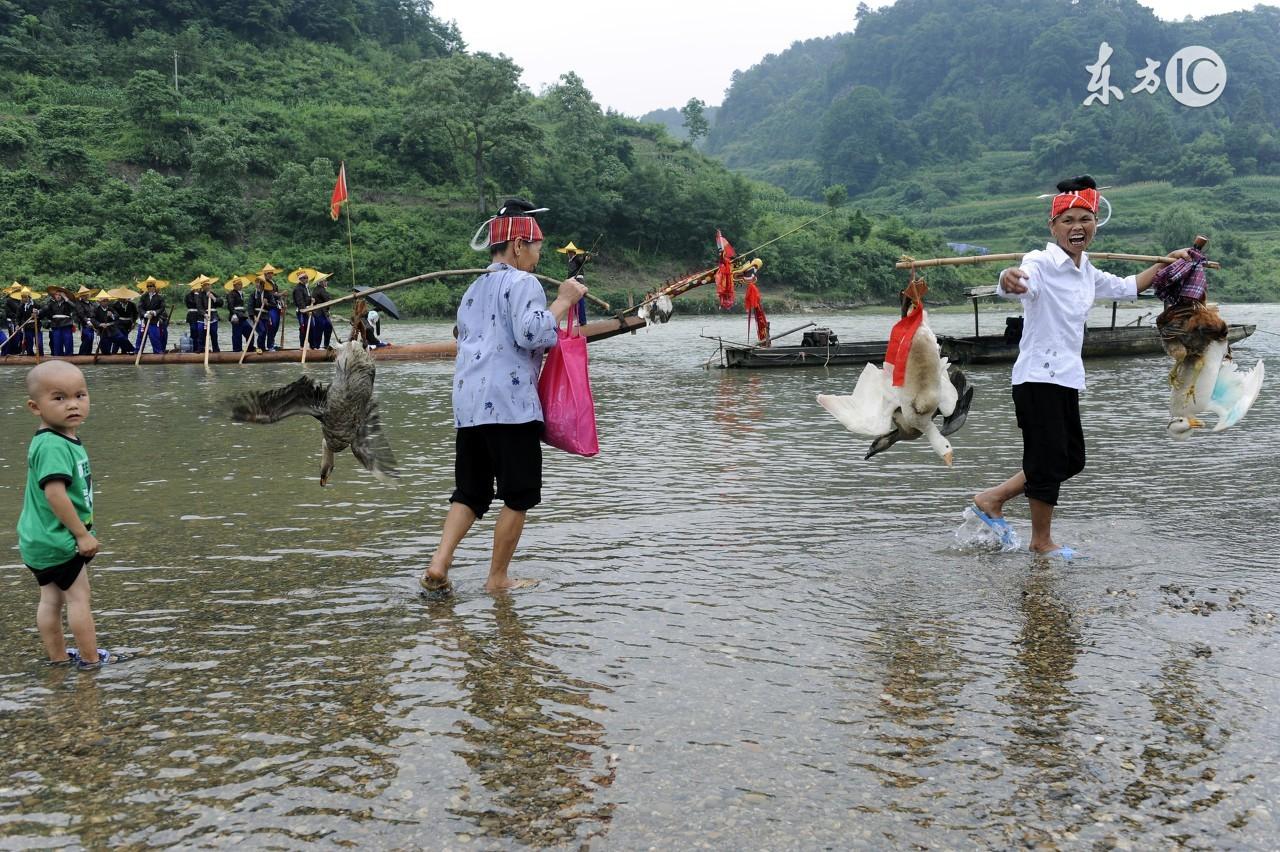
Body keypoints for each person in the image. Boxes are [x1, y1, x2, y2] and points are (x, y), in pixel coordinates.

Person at [971, 176, 1193, 558]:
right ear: (1053, 227)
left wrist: (1165, 263)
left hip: (1066, 378)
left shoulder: (1086, 269)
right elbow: (1015, 282)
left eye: (1085, 219)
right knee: (1046, 461)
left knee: (1071, 459)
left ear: (1095, 225)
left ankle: (993, 498)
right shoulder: (1039, 262)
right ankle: (1041, 542)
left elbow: (1128, 286)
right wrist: (1008, 280)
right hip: (1038, 377)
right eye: (1069, 220)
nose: (1078, 227)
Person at [420, 199, 588, 595]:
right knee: (519, 493)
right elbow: (534, 334)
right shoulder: (524, 283)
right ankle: (497, 579)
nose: (538, 255)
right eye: (535, 247)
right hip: (510, 405)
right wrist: (563, 300)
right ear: (517, 245)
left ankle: (439, 563)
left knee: (470, 491)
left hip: (469, 404)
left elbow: (462, 337)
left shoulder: (472, 289)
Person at [18, 360, 129, 668]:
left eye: (80, 395)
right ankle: (92, 660)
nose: (72, 405)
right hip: (59, 538)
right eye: (59, 398)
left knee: (50, 599)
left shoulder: (54, 439)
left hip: (37, 539)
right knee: (79, 598)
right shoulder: (54, 445)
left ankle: (58, 658)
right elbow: (55, 494)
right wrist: (81, 533)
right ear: (35, 406)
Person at [185, 275, 221, 352]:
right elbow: (199, 306)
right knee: (201, 333)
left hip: (213, 316)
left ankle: (216, 349)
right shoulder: (199, 296)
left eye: (208, 285)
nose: (207, 286)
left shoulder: (213, 294)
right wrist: (204, 314)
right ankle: (201, 349)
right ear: (202, 286)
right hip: (202, 317)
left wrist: (213, 298)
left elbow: (221, 303)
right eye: (205, 285)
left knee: (214, 333)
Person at [41, 286, 77, 357]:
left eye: (60, 295)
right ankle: (58, 357)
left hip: (66, 325)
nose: (58, 296)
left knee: (68, 342)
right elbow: (44, 309)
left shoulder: (67, 303)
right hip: (56, 325)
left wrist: (66, 298)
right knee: (57, 343)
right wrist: (38, 312)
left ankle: (69, 356)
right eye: (56, 295)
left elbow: (75, 307)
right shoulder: (51, 303)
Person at [136, 277, 168, 354]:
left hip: (154, 320)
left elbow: (162, 307)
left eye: (151, 286)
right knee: (140, 337)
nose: (150, 288)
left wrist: (154, 312)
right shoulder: (143, 297)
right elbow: (140, 307)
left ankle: (158, 352)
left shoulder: (160, 297)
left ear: (155, 287)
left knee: (155, 337)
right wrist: (145, 314)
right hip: (145, 320)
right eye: (148, 286)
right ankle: (137, 352)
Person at [248, 276, 280, 352]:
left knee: (265, 331)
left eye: (259, 283)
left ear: (263, 284)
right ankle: (260, 347)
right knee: (261, 331)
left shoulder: (268, 294)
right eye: (256, 283)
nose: (258, 284)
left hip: (265, 315)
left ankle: (263, 348)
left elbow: (273, 305)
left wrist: (267, 303)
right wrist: (254, 316)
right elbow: (250, 306)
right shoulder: (253, 294)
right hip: (256, 315)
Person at [225, 276, 255, 352]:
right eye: (238, 284)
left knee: (249, 331)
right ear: (234, 286)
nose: (240, 286)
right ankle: (237, 350)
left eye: (241, 284)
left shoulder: (240, 294)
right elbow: (230, 305)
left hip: (242, 316)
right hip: (236, 316)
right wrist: (234, 314)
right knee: (237, 334)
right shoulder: (231, 294)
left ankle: (250, 348)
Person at [310, 272, 334, 349]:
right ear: (320, 282)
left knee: (329, 326)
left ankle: (326, 345)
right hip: (319, 313)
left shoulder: (322, 289)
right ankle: (316, 346)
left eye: (326, 281)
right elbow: (327, 298)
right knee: (319, 328)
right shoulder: (319, 290)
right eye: (325, 281)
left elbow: (328, 299)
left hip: (324, 312)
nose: (326, 282)